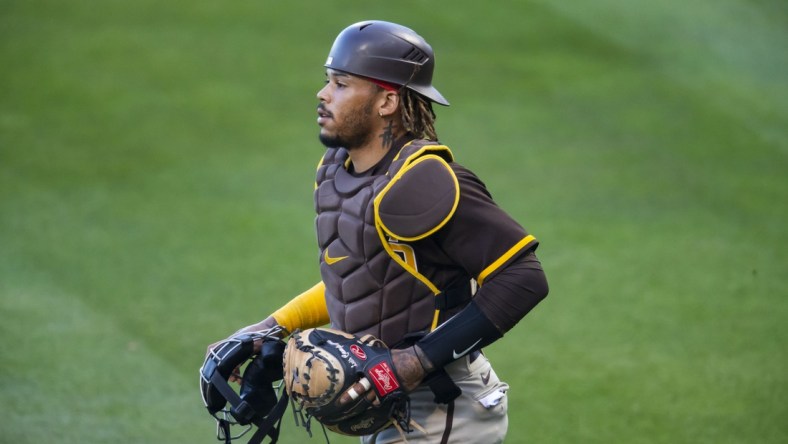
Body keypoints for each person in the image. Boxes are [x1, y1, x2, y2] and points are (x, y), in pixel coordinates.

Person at [208, 20, 549, 444]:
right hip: (388, 403)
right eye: (327, 81)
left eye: (341, 84)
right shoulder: (337, 172)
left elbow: (524, 277)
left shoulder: (422, 181)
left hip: (441, 411)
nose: (323, 94)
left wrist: (415, 361)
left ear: (387, 101)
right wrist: (270, 327)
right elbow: (362, 278)